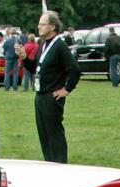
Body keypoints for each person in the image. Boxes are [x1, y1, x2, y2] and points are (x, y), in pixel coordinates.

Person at [33, 10, 79, 163]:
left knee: (54, 135)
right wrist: (24, 58)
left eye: (42, 24)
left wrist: (67, 89)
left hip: (52, 97)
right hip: (40, 95)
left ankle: (60, 165)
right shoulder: (42, 44)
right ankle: (49, 164)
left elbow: (74, 69)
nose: (38, 27)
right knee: (44, 134)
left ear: (52, 26)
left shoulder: (59, 46)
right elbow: (35, 67)